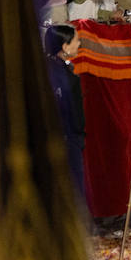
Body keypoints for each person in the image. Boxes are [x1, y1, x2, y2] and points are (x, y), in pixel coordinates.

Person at [44, 23, 87, 200]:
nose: (79, 43)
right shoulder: (64, 77)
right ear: (65, 47)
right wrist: (78, 138)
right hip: (67, 142)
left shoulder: (46, 69)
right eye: (76, 40)